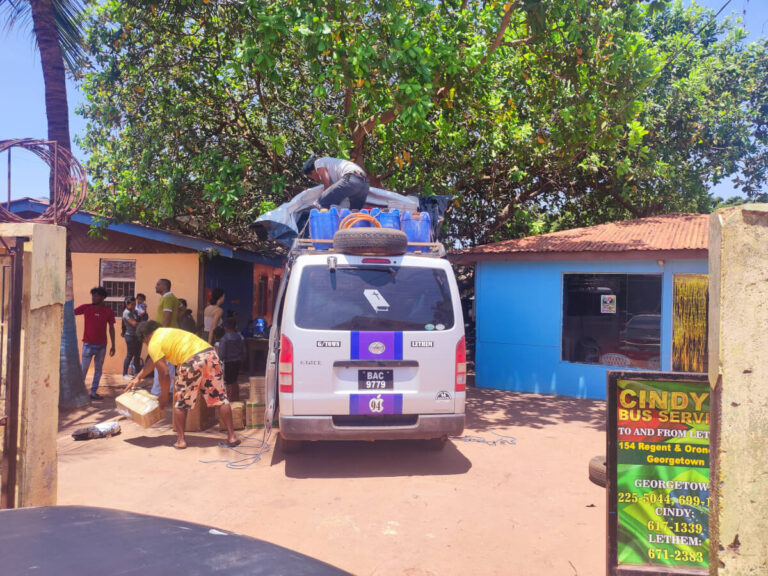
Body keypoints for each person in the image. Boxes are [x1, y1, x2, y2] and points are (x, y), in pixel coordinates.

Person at [125, 321, 239, 450]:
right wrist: (138, 377)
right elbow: (153, 361)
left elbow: (164, 373)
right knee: (221, 399)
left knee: (180, 403)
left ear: (145, 337)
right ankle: (231, 437)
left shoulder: (153, 342)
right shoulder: (169, 332)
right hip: (210, 356)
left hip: (191, 361)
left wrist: (163, 396)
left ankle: (180, 440)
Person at [75, 286, 116, 400]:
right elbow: (70, 313)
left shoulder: (108, 311)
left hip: (102, 346)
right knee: (83, 369)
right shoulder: (86, 308)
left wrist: (113, 345)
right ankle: (79, 392)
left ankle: (93, 392)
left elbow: (111, 328)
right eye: (93, 295)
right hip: (87, 345)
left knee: (98, 370)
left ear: (103, 297)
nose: (93, 297)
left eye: (96, 295)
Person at [302, 155, 369, 210]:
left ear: (313, 172)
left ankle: (313, 225)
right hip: (364, 183)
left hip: (351, 178)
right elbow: (336, 197)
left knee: (319, 203)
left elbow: (326, 185)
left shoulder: (318, 163)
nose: (315, 180)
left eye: (312, 177)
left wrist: (321, 199)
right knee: (354, 213)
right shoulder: (333, 169)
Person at [152, 278, 180, 396]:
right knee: (168, 364)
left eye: (158, 284)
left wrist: (161, 333)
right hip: (170, 333)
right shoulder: (169, 298)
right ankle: (169, 390)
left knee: (160, 363)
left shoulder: (168, 298)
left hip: (166, 335)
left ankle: (158, 392)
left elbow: (167, 316)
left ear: (164, 286)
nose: (155, 286)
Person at [218, 317, 247, 401]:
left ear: (225, 327)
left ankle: (230, 399)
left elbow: (222, 353)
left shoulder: (224, 339)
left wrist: (219, 361)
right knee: (235, 380)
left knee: (229, 382)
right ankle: (236, 398)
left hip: (229, 362)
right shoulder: (239, 337)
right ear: (235, 327)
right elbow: (244, 349)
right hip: (237, 361)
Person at [121, 296, 142, 380]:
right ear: (127, 304)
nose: (134, 306)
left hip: (137, 336)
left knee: (137, 355)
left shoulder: (134, 311)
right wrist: (144, 324)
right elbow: (134, 324)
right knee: (129, 355)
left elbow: (139, 318)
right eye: (132, 304)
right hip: (130, 336)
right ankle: (124, 374)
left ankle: (137, 372)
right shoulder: (126, 313)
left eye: (135, 304)